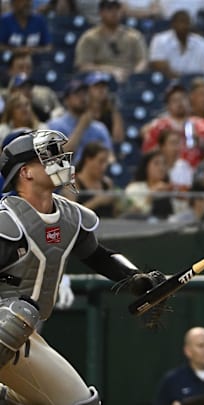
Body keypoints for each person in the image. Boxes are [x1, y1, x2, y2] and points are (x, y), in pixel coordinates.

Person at [0, 129, 165, 403]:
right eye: (48, 157)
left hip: (24, 335)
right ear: (25, 172)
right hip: (7, 324)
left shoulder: (69, 217)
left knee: (80, 401)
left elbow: (99, 255)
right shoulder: (7, 221)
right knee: (17, 316)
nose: (60, 162)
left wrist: (136, 278)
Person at [73, 0, 148, 83]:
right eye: (109, 9)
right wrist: (110, 71)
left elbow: (142, 61)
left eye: (117, 9)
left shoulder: (133, 36)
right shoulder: (89, 37)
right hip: (100, 81)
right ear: (101, 13)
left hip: (128, 78)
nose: (114, 12)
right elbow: (83, 66)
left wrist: (133, 74)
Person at [148, 9, 204, 78]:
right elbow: (157, 64)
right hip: (168, 82)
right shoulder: (160, 40)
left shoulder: (202, 43)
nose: (184, 26)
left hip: (195, 83)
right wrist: (181, 79)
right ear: (173, 24)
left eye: (187, 22)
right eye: (181, 22)